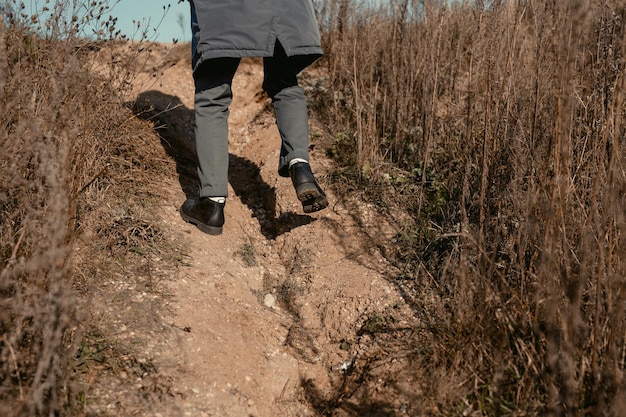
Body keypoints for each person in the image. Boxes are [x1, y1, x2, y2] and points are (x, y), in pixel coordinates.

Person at [180, 0, 329, 235]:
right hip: (289, 9)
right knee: (284, 82)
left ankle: (212, 204)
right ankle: (300, 167)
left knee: (212, 96)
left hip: (224, 10)